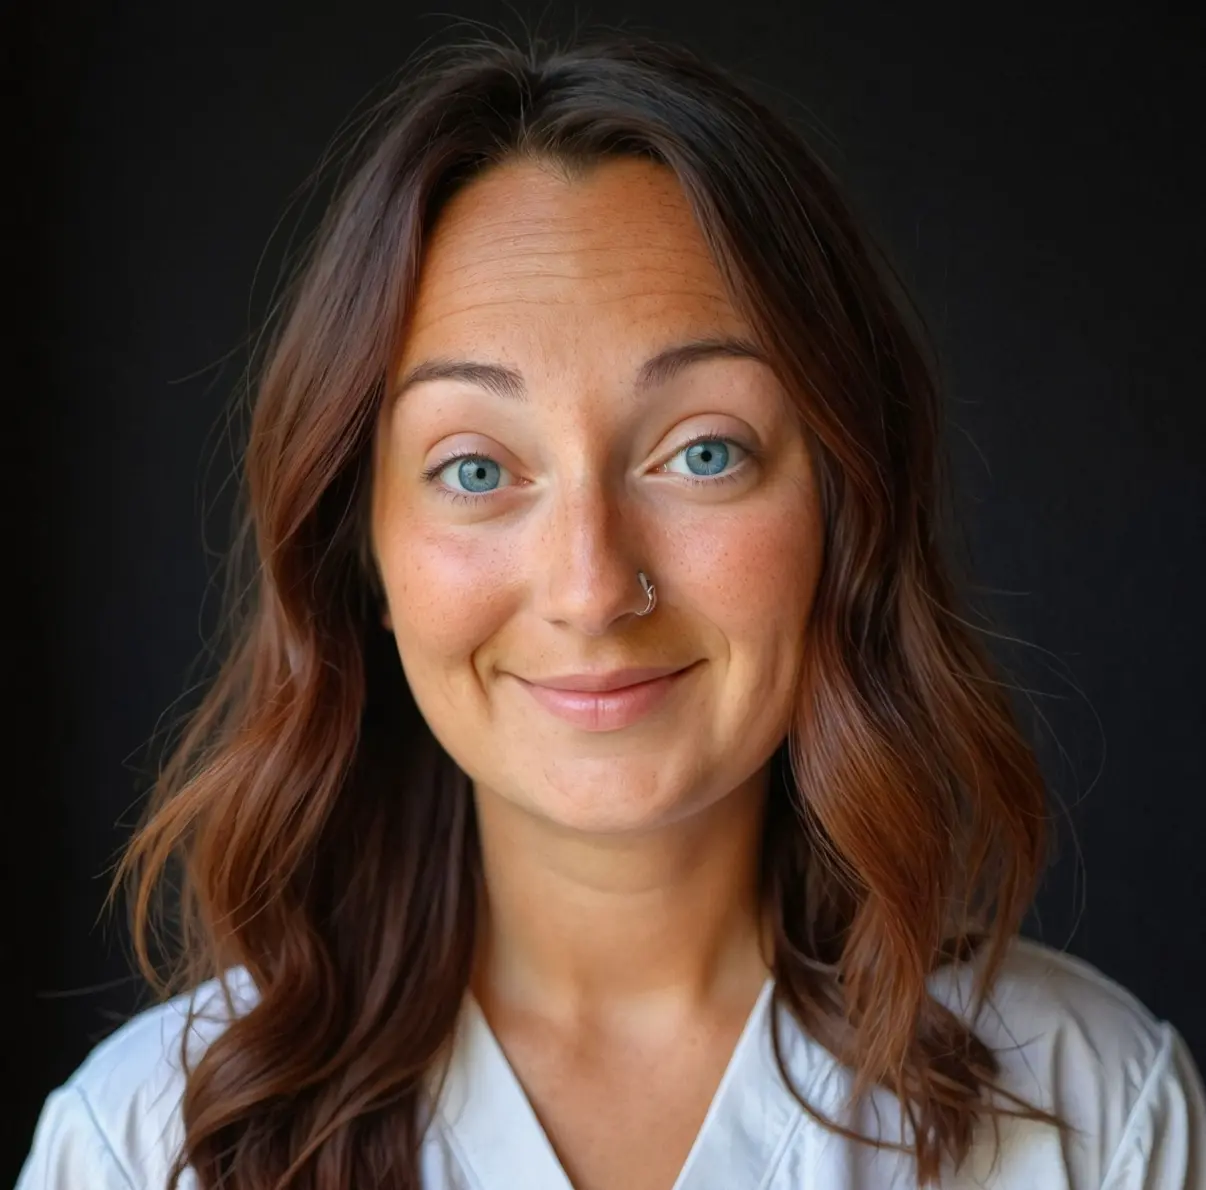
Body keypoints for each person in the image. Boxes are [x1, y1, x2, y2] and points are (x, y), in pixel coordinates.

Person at [16, 27, 1205, 1190]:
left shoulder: (1093, 1114)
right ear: (360, 553)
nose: (592, 588)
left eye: (701, 453)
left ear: (847, 508)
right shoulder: (143, 1148)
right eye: (478, 468)